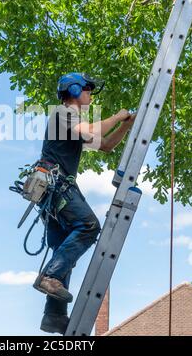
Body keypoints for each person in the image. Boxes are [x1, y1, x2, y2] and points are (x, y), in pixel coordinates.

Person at [33, 72, 136, 335]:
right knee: (89, 226)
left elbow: (105, 146)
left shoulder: (71, 120)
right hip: (57, 186)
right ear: (76, 90)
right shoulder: (63, 113)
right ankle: (49, 277)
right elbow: (90, 133)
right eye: (88, 89)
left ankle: (53, 316)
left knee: (63, 251)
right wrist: (117, 116)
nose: (91, 93)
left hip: (52, 192)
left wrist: (126, 125)